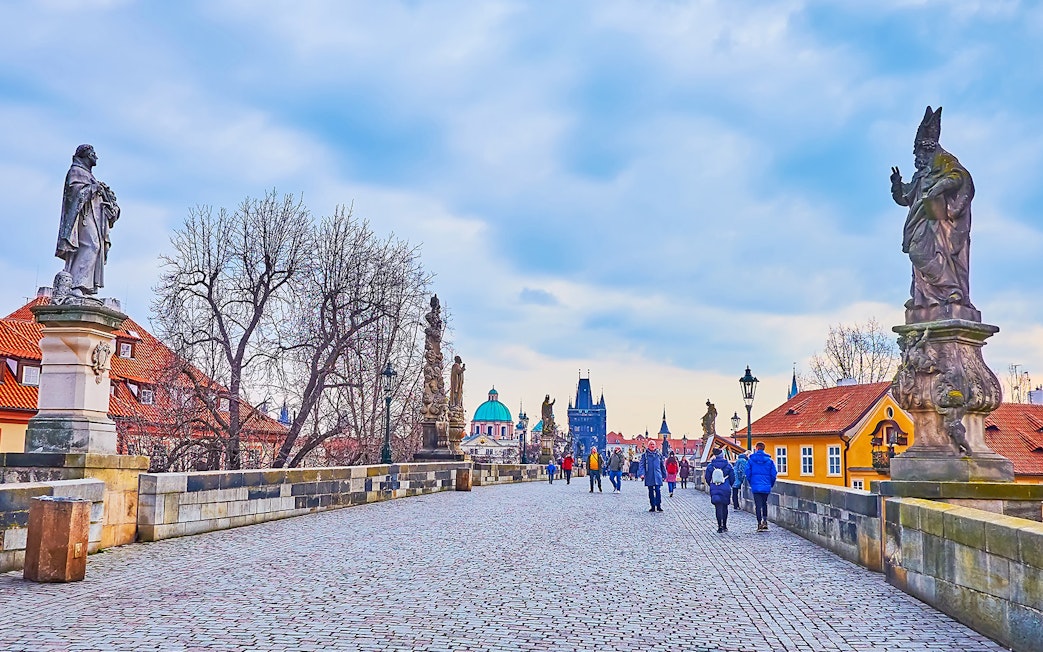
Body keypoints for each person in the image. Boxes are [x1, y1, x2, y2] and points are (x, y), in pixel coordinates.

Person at [890, 106, 977, 323]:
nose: (917, 157)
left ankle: (951, 291)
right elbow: (905, 198)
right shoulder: (921, 174)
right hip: (920, 223)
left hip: (939, 224)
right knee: (917, 254)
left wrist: (939, 188)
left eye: (920, 152)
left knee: (930, 255)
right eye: (917, 153)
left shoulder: (944, 163)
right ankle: (925, 298)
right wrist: (897, 185)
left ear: (929, 150)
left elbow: (961, 178)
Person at [55, 144, 120, 301]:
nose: (96, 157)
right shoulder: (76, 171)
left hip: (96, 219)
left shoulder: (89, 176)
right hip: (83, 218)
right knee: (91, 245)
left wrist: (108, 200)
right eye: (93, 154)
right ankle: (76, 285)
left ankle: (86, 287)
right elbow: (75, 193)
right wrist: (93, 188)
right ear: (85, 155)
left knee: (95, 248)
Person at [747, 441, 778, 532]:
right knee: (764, 503)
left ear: (756, 448)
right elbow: (773, 474)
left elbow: (748, 473)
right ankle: (765, 521)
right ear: (764, 449)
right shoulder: (769, 461)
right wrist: (770, 484)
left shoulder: (751, 460)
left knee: (758, 505)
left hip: (756, 486)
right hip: (766, 486)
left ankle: (759, 523)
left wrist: (751, 482)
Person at [704, 448, 734, 533]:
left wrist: (712, 485)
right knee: (725, 507)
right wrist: (729, 485)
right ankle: (724, 525)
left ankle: (719, 526)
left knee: (718, 507)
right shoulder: (728, 465)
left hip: (715, 487)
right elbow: (732, 477)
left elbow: (707, 477)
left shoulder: (710, 465)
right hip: (725, 487)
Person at [638, 441, 666, 512]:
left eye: (653, 444)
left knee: (658, 490)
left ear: (655, 446)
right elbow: (641, 465)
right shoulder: (645, 455)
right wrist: (642, 474)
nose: (652, 446)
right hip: (649, 474)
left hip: (657, 474)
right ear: (648, 446)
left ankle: (658, 505)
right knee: (650, 491)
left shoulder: (659, 454)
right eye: (651, 444)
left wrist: (664, 474)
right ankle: (652, 506)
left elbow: (662, 465)